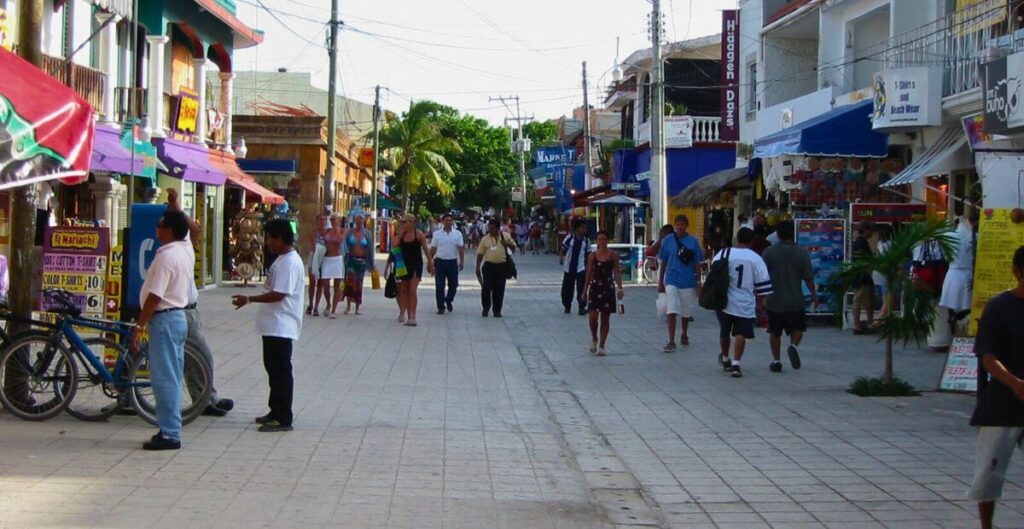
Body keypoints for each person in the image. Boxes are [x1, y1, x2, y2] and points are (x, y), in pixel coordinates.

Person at [967, 245, 1024, 529]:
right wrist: (1014, 383)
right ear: (1016, 273)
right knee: (989, 472)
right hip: (1002, 402)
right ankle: (986, 526)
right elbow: (988, 356)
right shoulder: (999, 307)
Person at [231, 220, 305, 433]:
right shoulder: (281, 260)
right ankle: (275, 410)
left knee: (281, 371)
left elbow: (279, 293)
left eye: (270, 238)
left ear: (280, 238)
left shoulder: (290, 262)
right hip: (272, 324)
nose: (268, 243)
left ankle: (283, 417)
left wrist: (250, 299)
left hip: (282, 325)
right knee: (273, 369)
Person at [165, 188, 233, 417]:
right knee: (200, 356)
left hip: (190, 310)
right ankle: (205, 399)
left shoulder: (182, 246)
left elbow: (194, 229)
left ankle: (205, 397)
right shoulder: (169, 252)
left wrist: (176, 206)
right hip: (180, 311)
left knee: (197, 358)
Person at [130, 210, 194, 450]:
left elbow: (155, 295)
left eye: (160, 226)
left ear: (169, 230)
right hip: (176, 318)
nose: (156, 230)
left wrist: (139, 325)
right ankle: (170, 428)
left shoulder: (167, 257)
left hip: (165, 319)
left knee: (164, 378)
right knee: (172, 376)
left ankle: (170, 433)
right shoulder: (184, 251)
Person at [712, 228, 773, 378]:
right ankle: (736, 364)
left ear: (736, 239)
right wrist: (761, 304)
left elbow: (713, 273)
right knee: (740, 333)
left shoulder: (724, 253)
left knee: (724, 331)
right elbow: (763, 285)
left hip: (724, 300)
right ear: (751, 241)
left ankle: (725, 358)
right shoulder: (755, 258)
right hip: (745, 302)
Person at [761, 220, 817, 373]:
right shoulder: (802, 253)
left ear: (778, 234)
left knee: (774, 332)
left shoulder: (769, 252)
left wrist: (760, 297)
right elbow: (808, 277)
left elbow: (761, 276)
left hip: (774, 299)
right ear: (794, 234)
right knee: (798, 328)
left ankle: (776, 360)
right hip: (795, 298)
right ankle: (793, 346)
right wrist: (814, 295)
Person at [658, 215, 703, 352]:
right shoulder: (667, 241)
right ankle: (671, 340)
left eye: (683, 224)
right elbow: (663, 261)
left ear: (687, 225)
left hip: (688, 280)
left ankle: (684, 333)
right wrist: (661, 281)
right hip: (672, 279)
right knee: (671, 310)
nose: (680, 227)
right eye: (678, 224)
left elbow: (697, 263)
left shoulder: (693, 242)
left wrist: (698, 281)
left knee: (685, 311)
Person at [583, 231, 623, 356]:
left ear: (608, 241)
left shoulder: (613, 255)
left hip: (608, 288)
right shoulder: (592, 256)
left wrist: (620, 288)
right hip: (595, 288)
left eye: (604, 239)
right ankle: (594, 337)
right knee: (593, 318)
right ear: (597, 241)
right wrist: (585, 290)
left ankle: (602, 345)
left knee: (605, 317)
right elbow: (589, 273)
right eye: (600, 239)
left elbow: (616, 271)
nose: (602, 241)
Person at [940, 214, 977, 323]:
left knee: (952, 302)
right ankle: (958, 317)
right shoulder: (975, 236)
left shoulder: (947, 235)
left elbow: (944, 256)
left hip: (953, 274)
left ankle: (954, 317)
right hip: (969, 274)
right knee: (967, 303)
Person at [476, 219, 515, 318]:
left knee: (499, 289)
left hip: (501, 267)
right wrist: (477, 267)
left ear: (498, 228)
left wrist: (507, 243)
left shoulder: (505, 236)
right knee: (486, 287)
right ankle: (486, 308)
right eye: (489, 228)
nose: (490, 230)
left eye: (493, 228)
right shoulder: (485, 239)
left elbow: (514, 248)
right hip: (489, 266)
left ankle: (497, 310)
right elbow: (480, 254)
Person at [397, 214, 431, 326]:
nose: (404, 224)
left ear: (412, 222)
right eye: (403, 222)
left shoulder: (419, 235)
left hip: (416, 264)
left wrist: (431, 263)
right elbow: (395, 248)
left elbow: (426, 250)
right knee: (404, 290)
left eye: (406, 222)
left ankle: (413, 315)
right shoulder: (402, 234)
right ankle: (406, 312)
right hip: (403, 265)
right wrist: (400, 235)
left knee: (412, 290)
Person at [430, 213, 465, 315]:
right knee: (440, 286)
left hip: (452, 262)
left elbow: (461, 248)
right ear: (442, 221)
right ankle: (441, 306)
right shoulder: (437, 234)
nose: (448, 222)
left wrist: (462, 261)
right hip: (440, 262)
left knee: (453, 284)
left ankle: (449, 299)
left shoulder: (457, 234)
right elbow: (433, 249)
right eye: (446, 220)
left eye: (450, 220)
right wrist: (430, 262)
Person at [342, 214, 374, 315]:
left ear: (363, 222)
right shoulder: (350, 233)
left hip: (362, 261)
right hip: (351, 260)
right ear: (355, 222)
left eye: (361, 222)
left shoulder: (367, 234)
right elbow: (344, 245)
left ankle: (357, 308)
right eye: (357, 222)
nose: (359, 224)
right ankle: (348, 306)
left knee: (359, 285)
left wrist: (372, 264)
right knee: (349, 283)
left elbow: (370, 250)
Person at [850, 221, 876, 334]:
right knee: (861, 300)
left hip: (859, 275)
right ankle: (859, 326)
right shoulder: (862, 242)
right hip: (863, 276)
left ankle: (863, 325)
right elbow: (866, 259)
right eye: (870, 230)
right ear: (866, 230)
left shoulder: (858, 241)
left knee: (865, 301)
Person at [560, 221, 590, 315]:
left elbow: (588, 254)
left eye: (585, 228)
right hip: (569, 267)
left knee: (581, 288)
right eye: (582, 228)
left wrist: (589, 265)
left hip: (581, 267)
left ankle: (582, 307)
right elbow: (563, 248)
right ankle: (567, 306)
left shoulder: (586, 241)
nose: (584, 230)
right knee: (567, 288)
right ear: (577, 228)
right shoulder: (569, 238)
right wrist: (561, 257)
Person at [320, 214, 346, 318]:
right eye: (330, 219)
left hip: (337, 259)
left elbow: (340, 240)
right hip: (327, 258)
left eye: (333, 219)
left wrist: (336, 228)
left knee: (337, 286)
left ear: (338, 220)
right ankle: (328, 303)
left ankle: (334, 310)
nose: (331, 221)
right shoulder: (327, 231)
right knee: (325, 284)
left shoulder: (342, 230)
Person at [305, 214, 328, 316]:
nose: (322, 222)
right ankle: (310, 303)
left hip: (324, 258)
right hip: (314, 256)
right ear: (317, 221)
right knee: (312, 281)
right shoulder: (313, 232)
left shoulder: (328, 233)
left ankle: (316, 306)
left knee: (321, 283)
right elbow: (313, 246)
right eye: (320, 220)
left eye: (324, 220)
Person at [871, 225, 893, 324]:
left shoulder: (880, 243)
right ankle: (877, 322)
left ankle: (884, 321)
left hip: (877, 273)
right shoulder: (892, 244)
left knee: (884, 299)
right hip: (886, 274)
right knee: (888, 301)